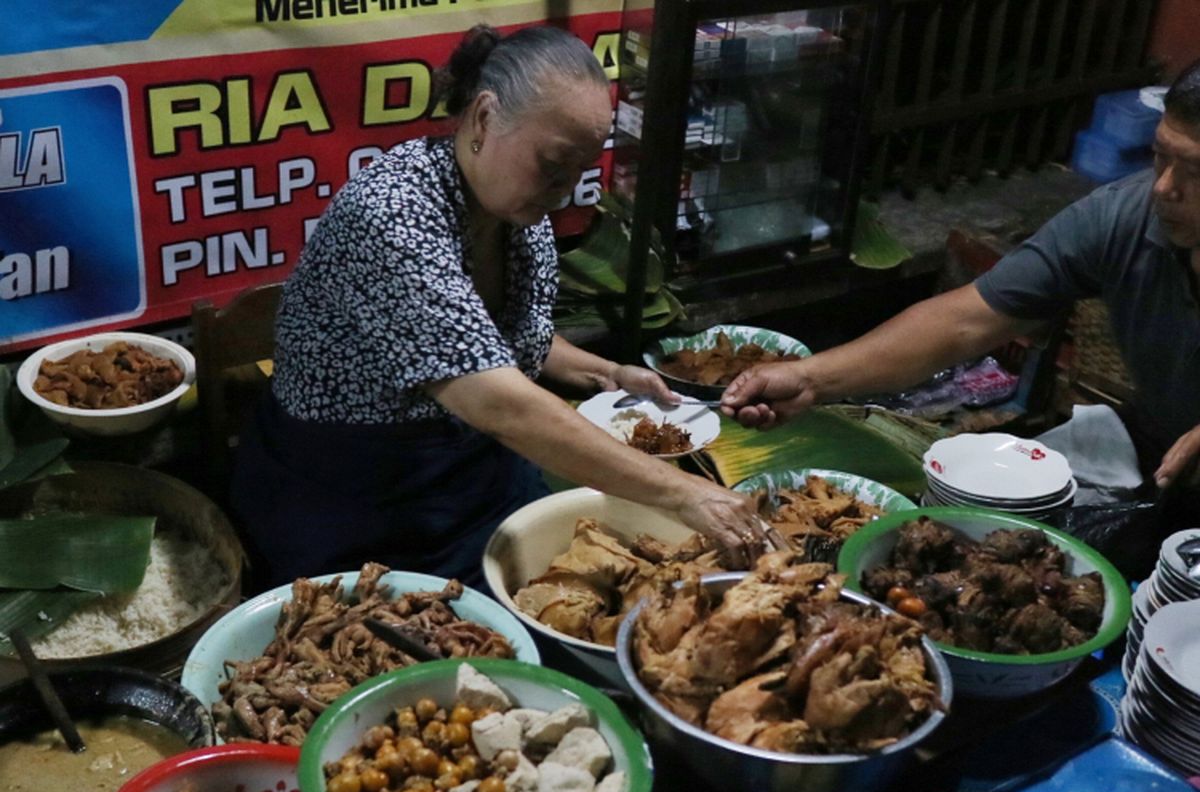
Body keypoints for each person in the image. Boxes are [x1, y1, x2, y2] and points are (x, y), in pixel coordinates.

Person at [230, 24, 766, 590]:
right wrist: (685, 493)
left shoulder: (517, 218)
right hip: (355, 502)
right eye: (553, 164)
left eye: (579, 172)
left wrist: (605, 372)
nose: (564, 189)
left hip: (473, 478)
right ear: (484, 118)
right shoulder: (391, 215)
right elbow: (496, 400)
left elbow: (490, 337)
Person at [721, 60, 1200, 502]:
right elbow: (965, 321)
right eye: (1160, 156)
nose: (1164, 187)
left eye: (1195, 171)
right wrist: (810, 379)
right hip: (1160, 453)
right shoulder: (1125, 216)